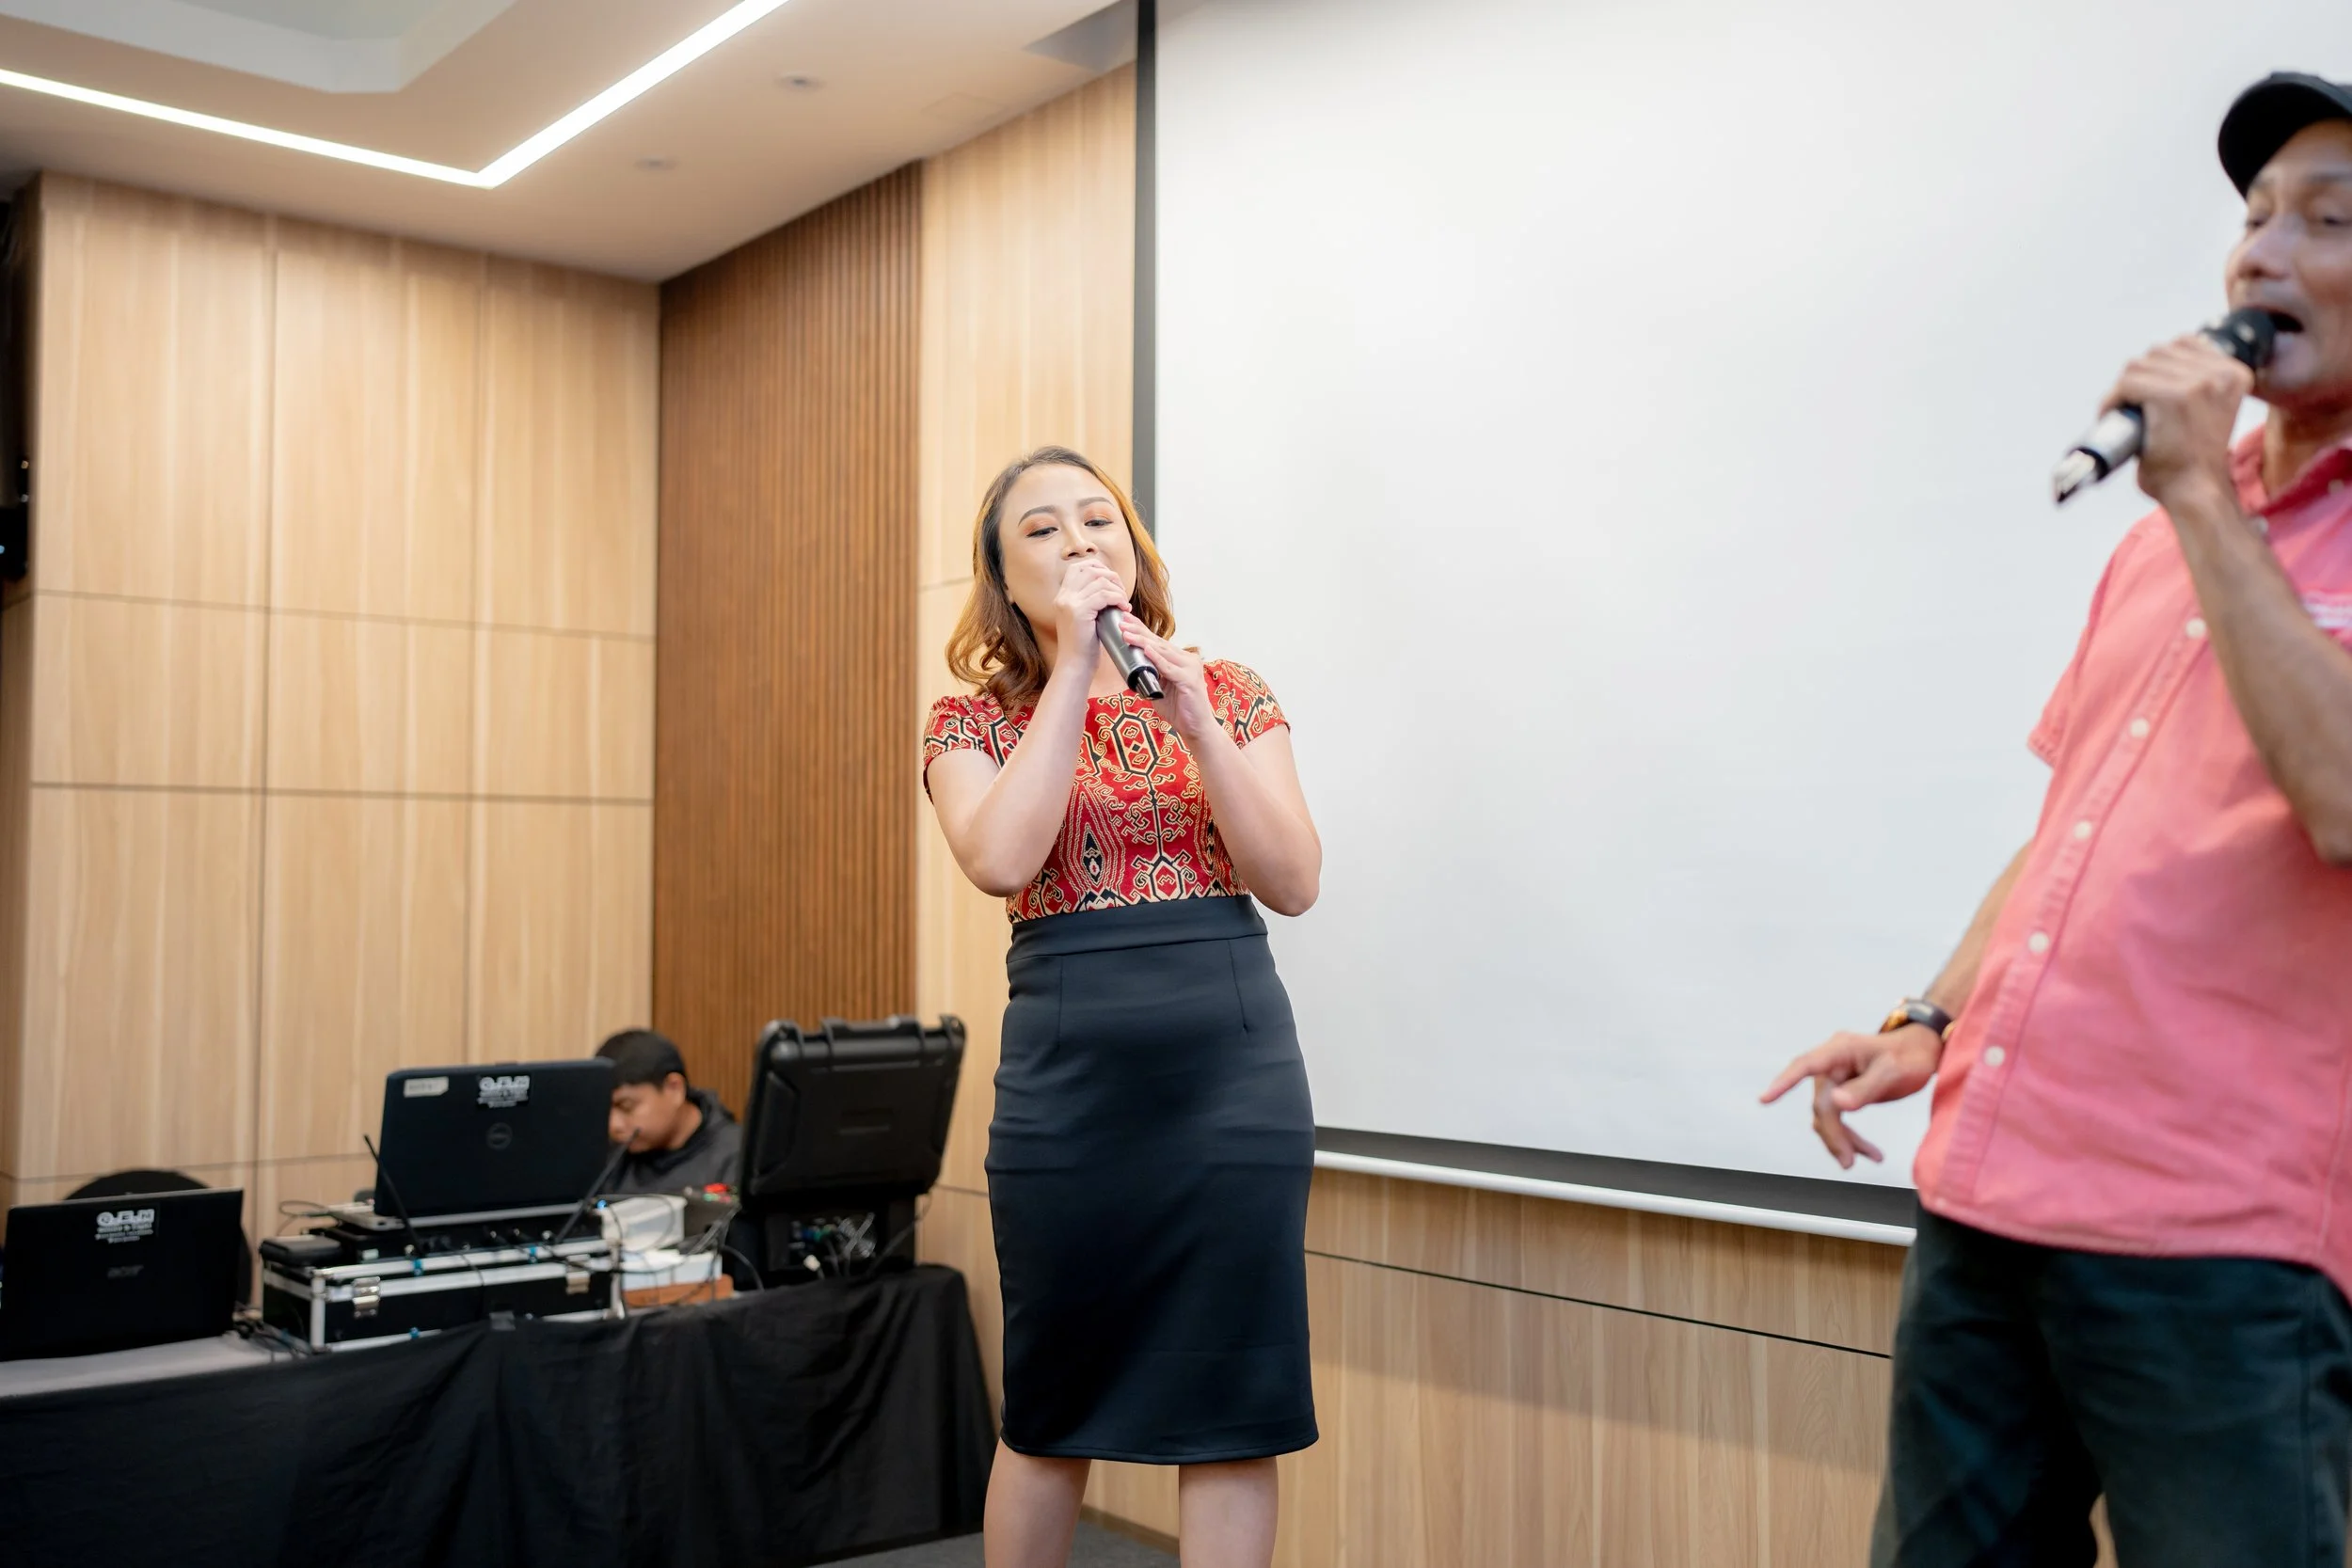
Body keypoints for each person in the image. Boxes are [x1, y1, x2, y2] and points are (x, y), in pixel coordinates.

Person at [1761, 72, 2352, 1566]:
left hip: (2221, 1237)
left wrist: (2203, 508)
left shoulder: (2196, 517)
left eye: (2329, 220)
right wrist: (1929, 1017)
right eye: (2255, 216)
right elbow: (2072, 825)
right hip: (1990, 1194)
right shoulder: (2171, 531)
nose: (2262, 253)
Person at [922, 446, 1322, 1568]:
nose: (1079, 539)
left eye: (1097, 518)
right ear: (1005, 580)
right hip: (1070, 1093)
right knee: (1052, 1405)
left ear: (1132, 548)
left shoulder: (1226, 689)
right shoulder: (968, 723)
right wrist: (1069, 673)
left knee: (1235, 1407)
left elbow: (1293, 881)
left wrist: (1195, 721)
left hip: (1233, 1086)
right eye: (1043, 528)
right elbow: (1001, 858)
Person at [596, 1028, 742, 1195]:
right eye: (606, 1109)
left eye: (627, 1106)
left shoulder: (738, 1159)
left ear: (674, 1089)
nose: (614, 1125)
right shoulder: (609, 1155)